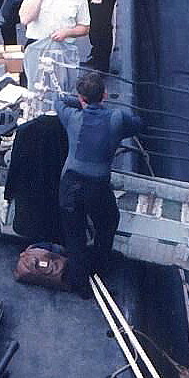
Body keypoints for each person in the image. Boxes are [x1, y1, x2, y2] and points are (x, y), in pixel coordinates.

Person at [55, 71, 143, 297]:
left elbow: (59, 101)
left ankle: (79, 283)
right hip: (97, 186)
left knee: (74, 234)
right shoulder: (116, 119)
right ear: (104, 95)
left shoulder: (72, 117)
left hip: (71, 183)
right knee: (108, 222)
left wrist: (80, 101)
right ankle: (99, 266)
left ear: (81, 98)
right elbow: (137, 124)